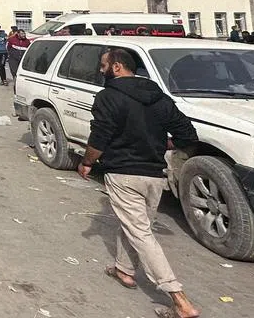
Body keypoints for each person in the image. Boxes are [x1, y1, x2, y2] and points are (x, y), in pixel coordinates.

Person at [78, 49, 200, 318]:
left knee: (141, 233)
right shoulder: (158, 97)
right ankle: (124, 269)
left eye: (103, 66)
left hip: (123, 174)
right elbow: (187, 135)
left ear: (117, 67)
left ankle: (179, 300)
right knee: (135, 225)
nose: (101, 71)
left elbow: (99, 137)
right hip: (154, 175)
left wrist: (87, 162)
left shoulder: (108, 97)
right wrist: (161, 143)